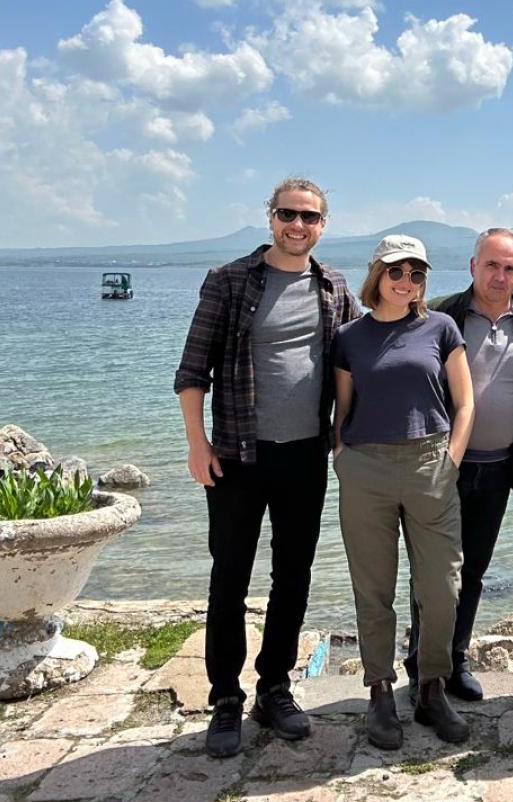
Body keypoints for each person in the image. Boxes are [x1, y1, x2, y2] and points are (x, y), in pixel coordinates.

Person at [174, 177, 358, 758]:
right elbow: (191, 370)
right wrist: (196, 444)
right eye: (287, 214)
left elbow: (362, 356)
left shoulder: (334, 286)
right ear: (270, 218)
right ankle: (225, 697)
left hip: (303, 455)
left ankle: (273, 688)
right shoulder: (228, 281)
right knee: (229, 577)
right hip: (236, 454)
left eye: (309, 217)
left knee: (293, 575)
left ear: (323, 225)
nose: (297, 226)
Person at [332, 235, 475, 750]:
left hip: (429, 463)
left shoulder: (441, 327)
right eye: (396, 271)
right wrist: (342, 457)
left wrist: (452, 458)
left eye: (416, 274)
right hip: (365, 467)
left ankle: (431, 687)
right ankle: (379, 693)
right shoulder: (350, 335)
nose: (406, 282)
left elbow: (465, 402)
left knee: (441, 588)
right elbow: (342, 408)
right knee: (374, 591)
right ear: (377, 275)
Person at [402, 228, 513, 701]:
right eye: (492, 265)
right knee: (433, 570)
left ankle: (455, 659)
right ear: (473, 266)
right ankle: (421, 661)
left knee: (472, 570)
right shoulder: (440, 314)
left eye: (510, 268)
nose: (500, 276)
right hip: (440, 467)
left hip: (498, 470)